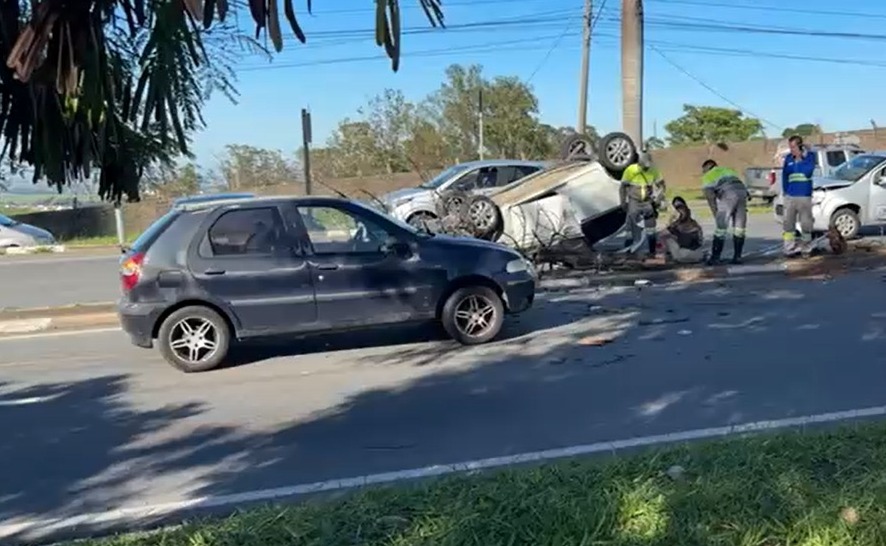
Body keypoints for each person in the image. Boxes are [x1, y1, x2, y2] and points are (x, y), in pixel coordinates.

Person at [701, 159, 749, 264]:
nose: (703, 172)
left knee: (720, 229)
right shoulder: (728, 170)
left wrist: (716, 215)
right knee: (739, 228)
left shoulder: (708, 176)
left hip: (728, 194)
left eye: (703, 170)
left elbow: (710, 198)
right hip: (742, 192)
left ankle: (715, 258)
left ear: (707, 168)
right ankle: (737, 257)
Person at [619, 151, 667, 258]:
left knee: (651, 228)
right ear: (639, 163)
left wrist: (658, 198)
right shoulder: (631, 170)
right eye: (644, 167)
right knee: (630, 228)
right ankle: (629, 253)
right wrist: (623, 201)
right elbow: (622, 187)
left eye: (647, 167)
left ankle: (652, 251)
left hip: (647, 202)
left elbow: (662, 185)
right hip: (634, 202)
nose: (646, 169)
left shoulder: (654, 170)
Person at [781, 135, 816, 256]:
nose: (791, 150)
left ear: (800, 146)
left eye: (793, 147)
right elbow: (785, 175)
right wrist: (785, 191)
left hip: (804, 195)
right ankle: (789, 248)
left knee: (806, 223)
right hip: (790, 195)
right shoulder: (788, 158)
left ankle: (806, 248)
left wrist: (800, 158)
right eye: (790, 147)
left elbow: (808, 171)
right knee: (788, 223)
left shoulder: (810, 157)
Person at [660, 196, 705, 263]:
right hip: (699, 254)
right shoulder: (693, 219)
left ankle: (666, 256)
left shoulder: (678, 224)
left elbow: (663, 233)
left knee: (666, 238)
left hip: (683, 255)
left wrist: (671, 220)